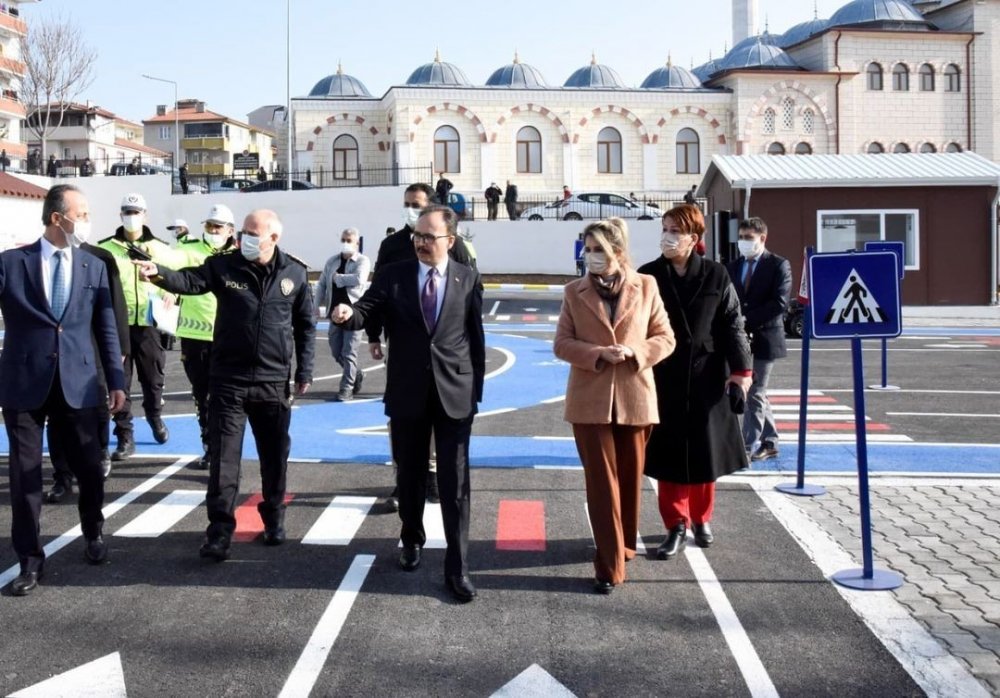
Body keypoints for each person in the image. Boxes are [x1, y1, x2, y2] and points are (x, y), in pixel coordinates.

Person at [135, 209, 315, 561]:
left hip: (272, 382)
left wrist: (304, 371)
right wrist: (159, 275)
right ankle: (218, 532)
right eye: (243, 231)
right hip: (228, 380)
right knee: (224, 460)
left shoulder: (294, 273)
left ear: (273, 239)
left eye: (251, 232)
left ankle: (274, 518)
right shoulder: (225, 265)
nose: (243, 237)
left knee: (275, 456)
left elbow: (305, 326)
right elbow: (190, 281)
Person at [331, 204, 485, 603]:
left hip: (454, 395)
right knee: (410, 475)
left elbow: (475, 340)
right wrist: (349, 315)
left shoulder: (467, 278)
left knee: (455, 486)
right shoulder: (394, 274)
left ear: (450, 240)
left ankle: (458, 566)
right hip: (407, 392)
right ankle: (411, 538)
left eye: (428, 236)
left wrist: (475, 394)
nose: (420, 242)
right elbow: (368, 309)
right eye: (417, 235)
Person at [0, 184, 126, 596]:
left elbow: (105, 328)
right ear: (58, 217)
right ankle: (29, 560)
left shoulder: (93, 266)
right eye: (82, 213)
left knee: (90, 468)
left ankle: (93, 530)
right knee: (24, 475)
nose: (86, 220)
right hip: (23, 384)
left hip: (81, 382)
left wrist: (117, 381)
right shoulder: (11, 264)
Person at [553, 218, 675, 595]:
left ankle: (623, 545)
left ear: (618, 252)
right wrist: (597, 354)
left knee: (628, 479)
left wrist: (636, 352)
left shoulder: (647, 285)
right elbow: (562, 343)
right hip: (589, 402)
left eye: (598, 250)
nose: (591, 257)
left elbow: (665, 337)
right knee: (602, 484)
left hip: (636, 395)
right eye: (586, 249)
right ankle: (609, 566)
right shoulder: (574, 292)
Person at [639, 204, 753, 559]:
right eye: (665, 229)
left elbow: (733, 325)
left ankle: (701, 519)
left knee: (706, 452)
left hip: (708, 376)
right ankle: (675, 524)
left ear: (694, 238)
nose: (667, 237)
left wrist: (741, 373)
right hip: (664, 375)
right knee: (669, 454)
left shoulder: (717, 276)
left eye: (675, 230)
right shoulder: (648, 275)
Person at [370, 182, 475, 509]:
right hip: (403, 346)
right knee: (403, 415)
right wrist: (374, 334)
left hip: (443, 349)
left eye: (416, 204)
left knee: (437, 411)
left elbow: (468, 292)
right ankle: (404, 476)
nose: (410, 210)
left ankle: (430, 476)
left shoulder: (453, 244)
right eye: (406, 204)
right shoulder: (391, 245)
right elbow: (375, 294)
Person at [97, 193, 184, 460]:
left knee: (153, 377)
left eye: (136, 211)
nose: (131, 216)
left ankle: (155, 417)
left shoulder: (160, 248)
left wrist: (173, 292)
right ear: (120, 215)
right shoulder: (106, 249)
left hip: (150, 323)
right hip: (117, 325)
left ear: (145, 215)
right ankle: (124, 435)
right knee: (119, 381)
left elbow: (180, 278)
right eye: (127, 211)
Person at [46, 234, 131, 503]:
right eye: (79, 214)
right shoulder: (41, 260)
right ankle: (62, 476)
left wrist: (121, 349)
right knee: (56, 417)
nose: (83, 221)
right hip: (56, 350)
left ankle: (102, 451)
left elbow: (115, 307)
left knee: (97, 406)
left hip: (92, 345)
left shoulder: (100, 258)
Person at [173, 204, 237, 470]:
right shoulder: (188, 250)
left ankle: (227, 451)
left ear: (230, 231)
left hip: (229, 338)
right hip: (195, 337)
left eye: (218, 227)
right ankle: (210, 447)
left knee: (227, 399)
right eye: (209, 226)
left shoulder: (240, 257)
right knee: (202, 396)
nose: (212, 231)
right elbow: (172, 268)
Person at [726, 217, 792, 462]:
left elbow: (780, 303)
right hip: (739, 339)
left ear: (762, 238)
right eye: (741, 237)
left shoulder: (778, 265)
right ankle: (770, 440)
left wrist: (746, 319)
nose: (743, 242)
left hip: (765, 337)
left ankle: (746, 445)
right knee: (758, 392)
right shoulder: (733, 267)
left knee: (754, 390)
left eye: (748, 238)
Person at [316, 227, 371, 401]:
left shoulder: (363, 260)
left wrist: (339, 279)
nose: (346, 243)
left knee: (349, 352)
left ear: (356, 243)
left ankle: (346, 388)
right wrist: (315, 304)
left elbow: (359, 279)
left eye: (349, 240)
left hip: (354, 314)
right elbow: (322, 283)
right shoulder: (332, 261)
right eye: (343, 240)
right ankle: (356, 373)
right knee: (335, 350)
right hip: (334, 313)